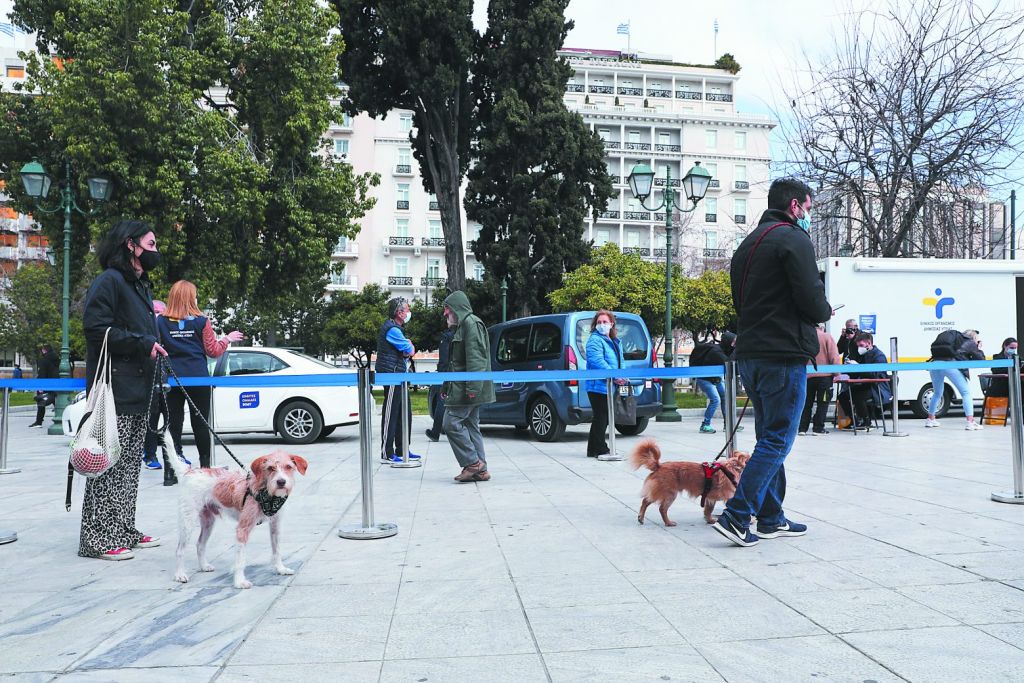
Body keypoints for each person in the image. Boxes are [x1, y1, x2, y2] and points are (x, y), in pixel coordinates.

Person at [715, 177, 831, 547]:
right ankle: (737, 516)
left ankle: (770, 516)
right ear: (795, 206)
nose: (809, 216)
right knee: (778, 440)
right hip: (782, 352)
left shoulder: (747, 245)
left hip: (752, 352)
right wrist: (823, 310)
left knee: (769, 437)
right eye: (809, 209)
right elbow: (811, 297)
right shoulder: (794, 239)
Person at [79, 219, 168, 560]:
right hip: (113, 390)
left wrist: (150, 346)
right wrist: (142, 342)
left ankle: (122, 529)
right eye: (150, 243)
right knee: (107, 465)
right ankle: (97, 539)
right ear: (130, 245)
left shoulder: (140, 286)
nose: (155, 250)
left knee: (130, 467)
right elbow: (96, 328)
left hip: (139, 390)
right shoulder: (110, 282)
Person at [157, 281, 243, 469]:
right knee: (201, 423)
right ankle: (205, 467)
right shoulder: (202, 321)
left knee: (172, 425)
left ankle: (171, 471)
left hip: (172, 379)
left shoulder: (160, 321)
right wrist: (227, 339)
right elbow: (212, 351)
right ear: (190, 298)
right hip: (198, 378)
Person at [441, 290, 495, 482]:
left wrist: (473, 388)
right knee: (472, 426)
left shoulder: (471, 324)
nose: (445, 313)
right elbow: (457, 363)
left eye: (447, 308)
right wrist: (446, 387)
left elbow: (477, 359)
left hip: (468, 389)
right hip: (464, 387)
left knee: (451, 423)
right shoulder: (464, 325)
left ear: (456, 308)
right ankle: (481, 470)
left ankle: (473, 464)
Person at [376, 297, 420, 463]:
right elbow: (409, 350)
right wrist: (409, 345)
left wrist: (407, 348)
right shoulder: (392, 330)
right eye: (407, 310)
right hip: (393, 375)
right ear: (399, 313)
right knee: (391, 414)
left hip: (400, 375)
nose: (409, 313)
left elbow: (406, 351)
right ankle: (387, 452)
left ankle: (402, 450)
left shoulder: (396, 329)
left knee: (404, 414)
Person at [585, 310, 627, 456]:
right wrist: (614, 376)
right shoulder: (595, 340)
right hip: (598, 386)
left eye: (605, 322)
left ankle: (594, 448)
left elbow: (621, 361)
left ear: (611, 324)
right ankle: (600, 448)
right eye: (599, 322)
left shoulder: (615, 341)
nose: (602, 325)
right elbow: (597, 361)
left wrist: (623, 375)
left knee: (603, 417)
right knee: (601, 416)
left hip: (610, 385)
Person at [926, 328, 985, 430]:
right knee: (965, 393)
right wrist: (978, 347)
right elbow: (980, 358)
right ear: (974, 337)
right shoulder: (969, 342)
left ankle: (930, 420)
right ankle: (970, 422)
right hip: (951, 365)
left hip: (935, 364)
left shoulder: (955, 340)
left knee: (937, 393)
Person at [837, 332, 892, 430]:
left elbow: (875, 375)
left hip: (877, 387)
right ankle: (854, 420)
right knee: (843, 396)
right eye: (858, 346)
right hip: (865, 385)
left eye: (861, 345)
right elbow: (857, 373)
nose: (859, 348)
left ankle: (866, 421)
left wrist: (858, 367)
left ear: (869, 343)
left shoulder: (879, 356)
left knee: (858, 396)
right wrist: (848, 369)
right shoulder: (863, 355)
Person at [799, 324, 841, 435]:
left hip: (807, 377)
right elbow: (834, 356)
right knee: (823, 402)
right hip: (825, 377)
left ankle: (802, 428)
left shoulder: (805, 337)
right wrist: (837, 373)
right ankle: (818, 428)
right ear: (822, 327)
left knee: (806, 403)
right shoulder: (827, 337)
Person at [689, 334, 730, 434]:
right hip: (704, 379)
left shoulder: (720, 349)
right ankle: (705, 425)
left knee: (725, 397)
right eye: (733, 342)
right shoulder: (716, 351)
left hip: (716, 378)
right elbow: (728, 361)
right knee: (716, 400)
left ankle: (728, 425)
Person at [425, 317, 457, 442]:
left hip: (446, 373)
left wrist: (442, 373)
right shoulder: (462, 334)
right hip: (459, 372)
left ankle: (435, 432)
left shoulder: (447, 336)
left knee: (441, 401)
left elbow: (444, 358)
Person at [29, 344, 58, 427]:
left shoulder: (44, 360)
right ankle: (64, 419)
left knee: (41, 402)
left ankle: (39, 421)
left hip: (46, 384)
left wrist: (40, 386)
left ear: (44, 350)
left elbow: (42, 374)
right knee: (56, 402)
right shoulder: (57, 359)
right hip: (57, 384)